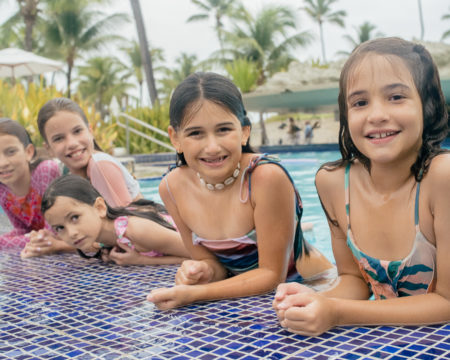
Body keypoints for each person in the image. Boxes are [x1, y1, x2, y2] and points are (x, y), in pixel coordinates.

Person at [273, 37, 450, 335]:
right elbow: (354, 280)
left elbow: (447, 302)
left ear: (427, 105)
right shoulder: (333, 184)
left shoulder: (441, 179)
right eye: (360, 102)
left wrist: (338, 313)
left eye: (396, 97)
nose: (376, 115)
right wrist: (314, 302)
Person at [147, 72, 335, 310]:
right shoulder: (171, 188)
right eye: (195, 133)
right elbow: (211, 262)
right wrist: (202, 271)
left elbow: (270, 275)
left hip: (313, 285)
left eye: (224, 129)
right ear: (175, 138)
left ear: (245, 131)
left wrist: (194, 293)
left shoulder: (264, 177)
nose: (212, 146)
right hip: (254, 297)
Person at [41, 174, 189, 265]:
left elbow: (205, 256)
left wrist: (143, 261)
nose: (71, 233)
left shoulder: (136, 230)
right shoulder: (102, 239)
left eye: (74, 218)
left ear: (99, 207)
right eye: (60, 228)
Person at [37, 97, 142, 208]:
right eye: (58, 138)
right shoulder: (65, 173)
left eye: (77, 131)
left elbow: (125, 221)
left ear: (90, 131)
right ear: (48, 149)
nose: (72, 143)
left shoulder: (100, 166)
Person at [0, 118, 70, 257]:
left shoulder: (45, 172)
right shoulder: (3, 190)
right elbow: (22, 229)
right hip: (45, 251)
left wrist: (3, 242)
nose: (2, 163)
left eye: (11, 152)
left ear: (28, 152)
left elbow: (53, 233)